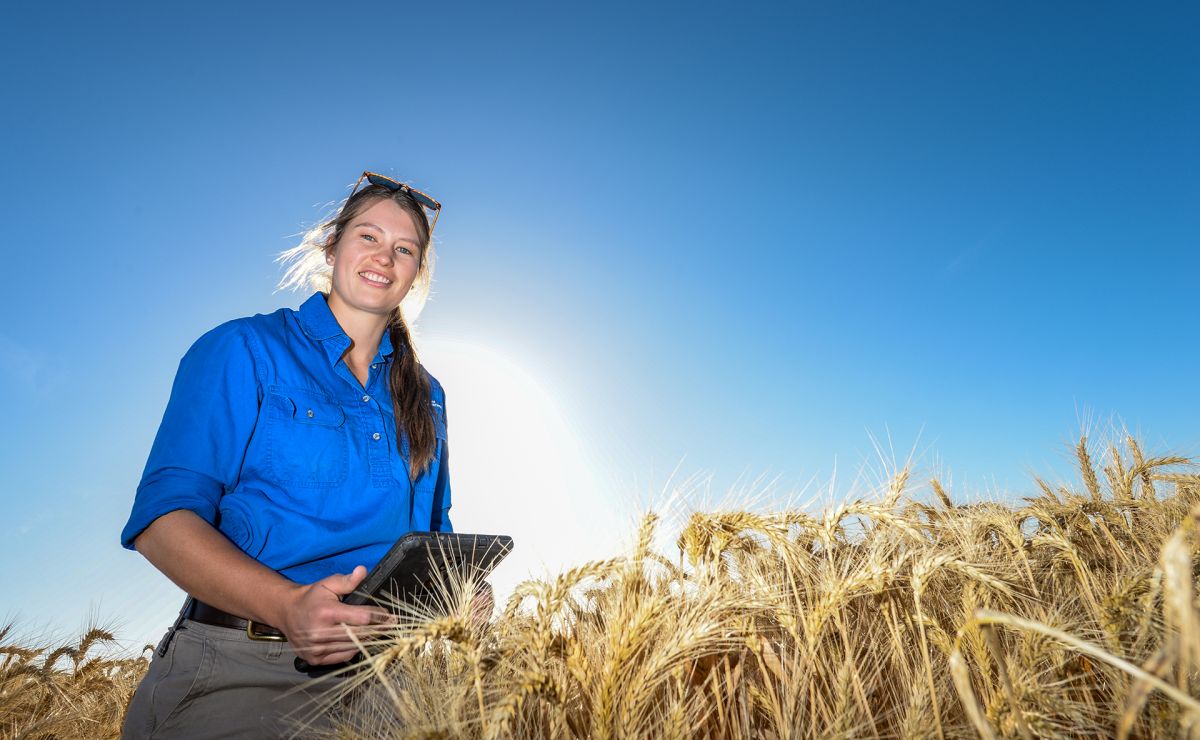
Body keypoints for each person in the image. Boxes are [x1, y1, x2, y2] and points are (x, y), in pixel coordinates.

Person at [120, 171, 466, 739]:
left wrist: (464, 592)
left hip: (392, 674)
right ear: (332, 246)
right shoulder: (243, 349)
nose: (385, 256)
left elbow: (435, 536)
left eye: (405, 248)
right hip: (246, 664)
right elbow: (163, 522)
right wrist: (287, 606)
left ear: (415, 274)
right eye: (368, 237)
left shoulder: (428, 394)